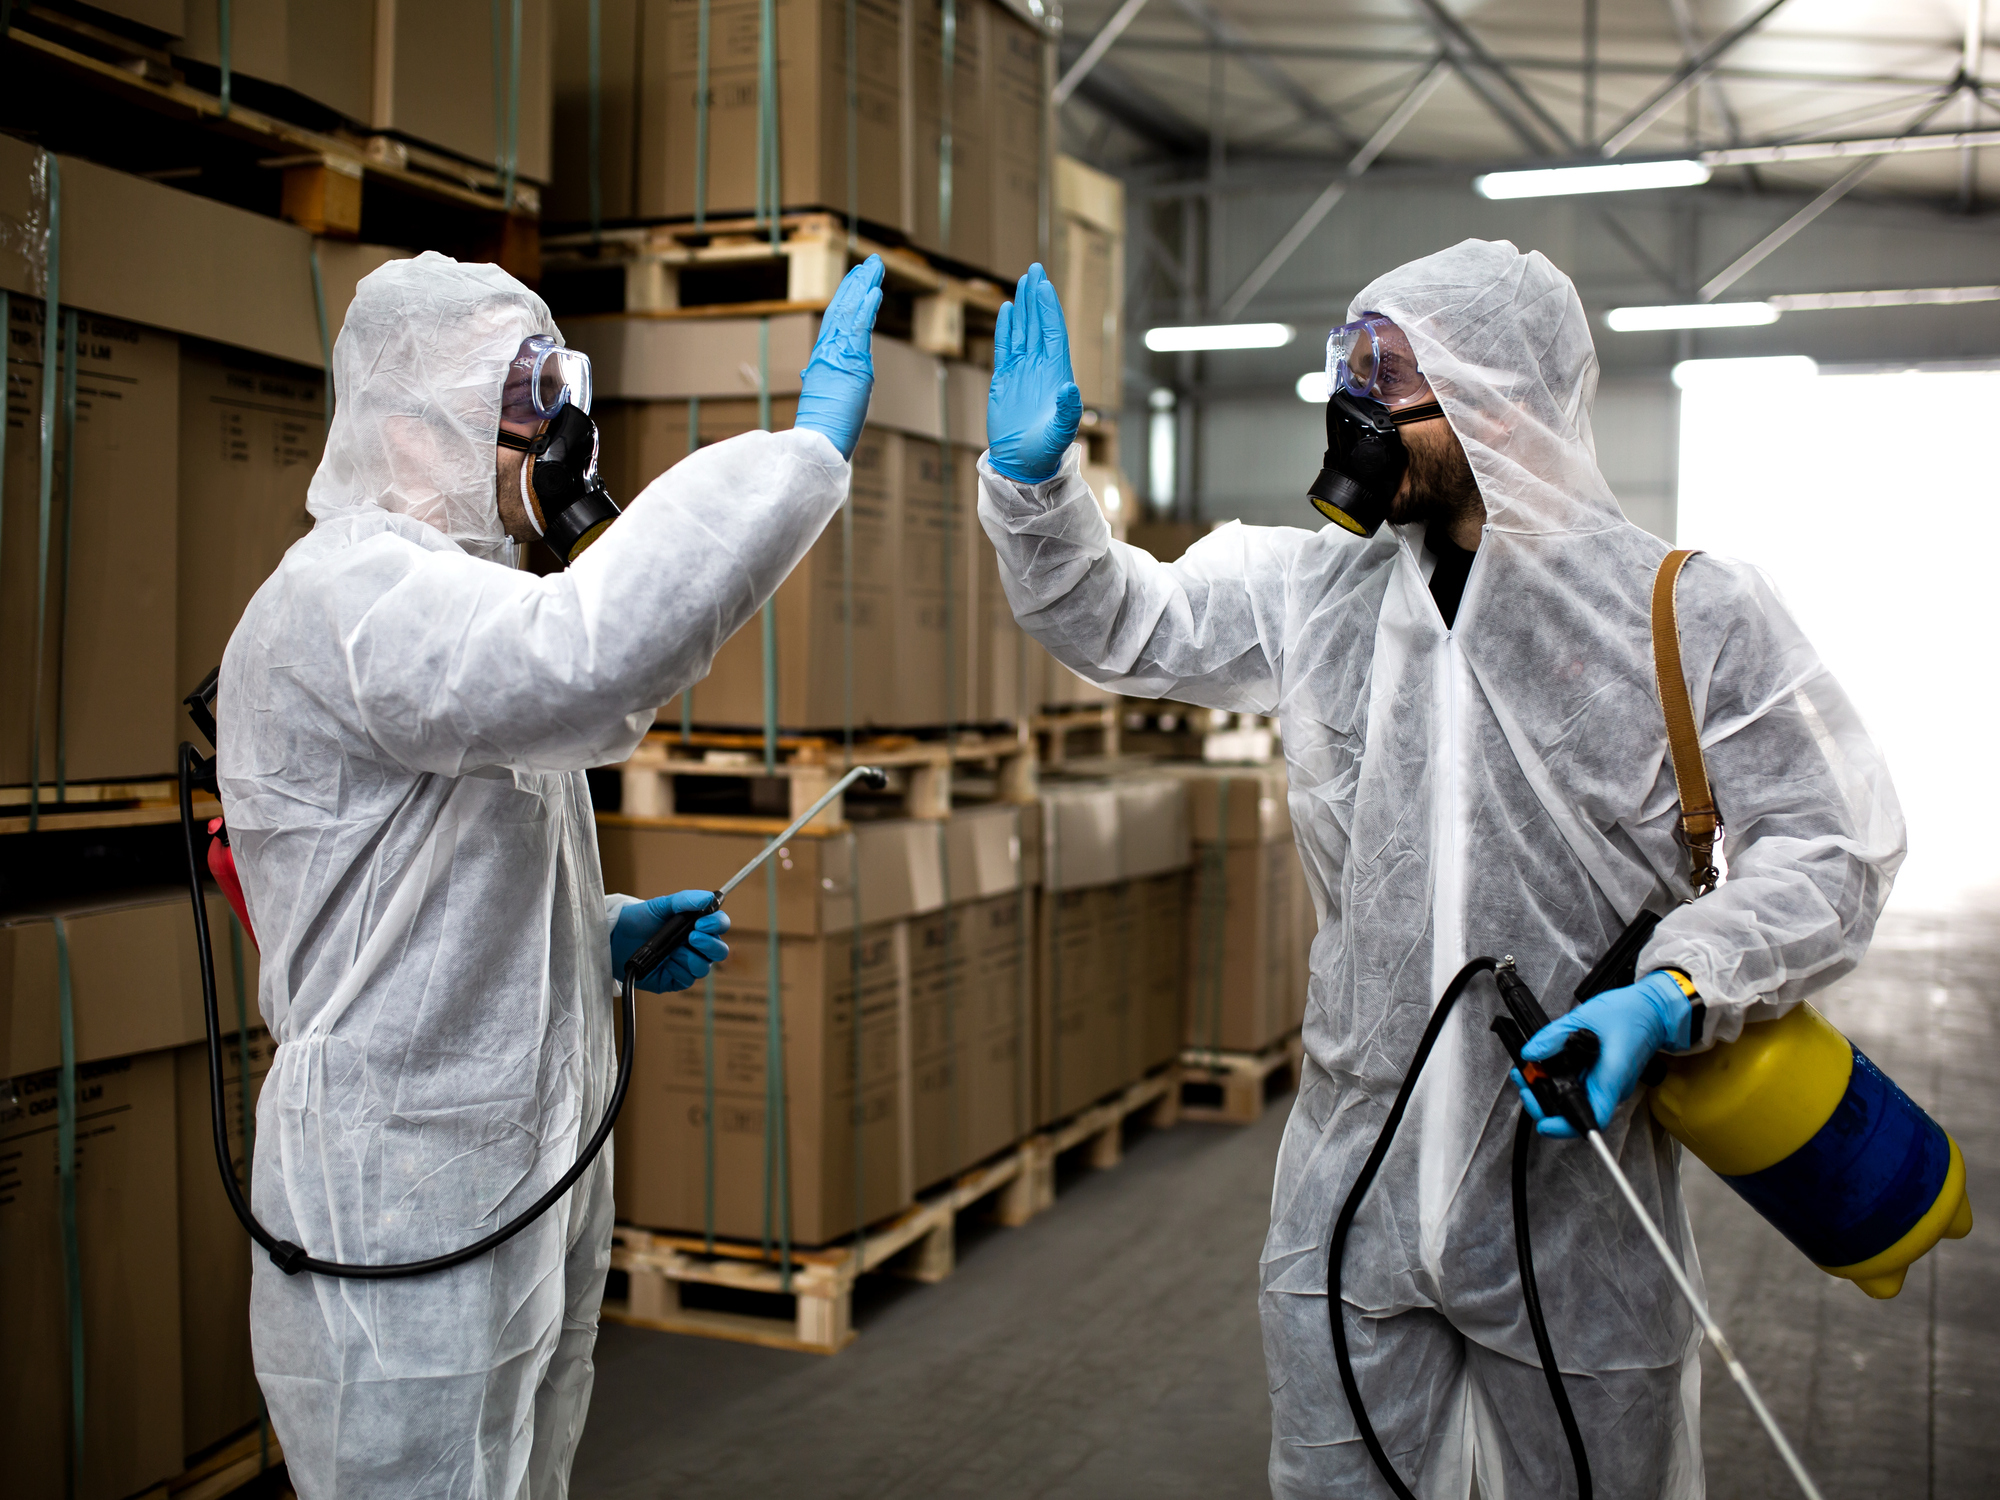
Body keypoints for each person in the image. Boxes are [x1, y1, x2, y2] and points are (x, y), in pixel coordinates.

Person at [979, 242, 1903, 1498]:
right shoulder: (1319, 589)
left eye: (1384, 370)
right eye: (1344, 363)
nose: (1349, 400)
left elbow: (1829, 847)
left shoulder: (1683, 614)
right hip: (1351, 1177)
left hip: (1573, 1185)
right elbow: (1116, 618)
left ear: (1495, 397)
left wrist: (1673, 989)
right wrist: (1039, 488)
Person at [218, 248, 885, 1498]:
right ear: (417, 420)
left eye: (557, 380)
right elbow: (587, 662)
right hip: (402, 1185)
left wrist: (599, 928)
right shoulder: (353, 597)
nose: (561, 424)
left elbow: (429, 874)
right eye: (526, 392)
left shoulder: (458, 601)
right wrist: (797, 458)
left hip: (506, 1162)